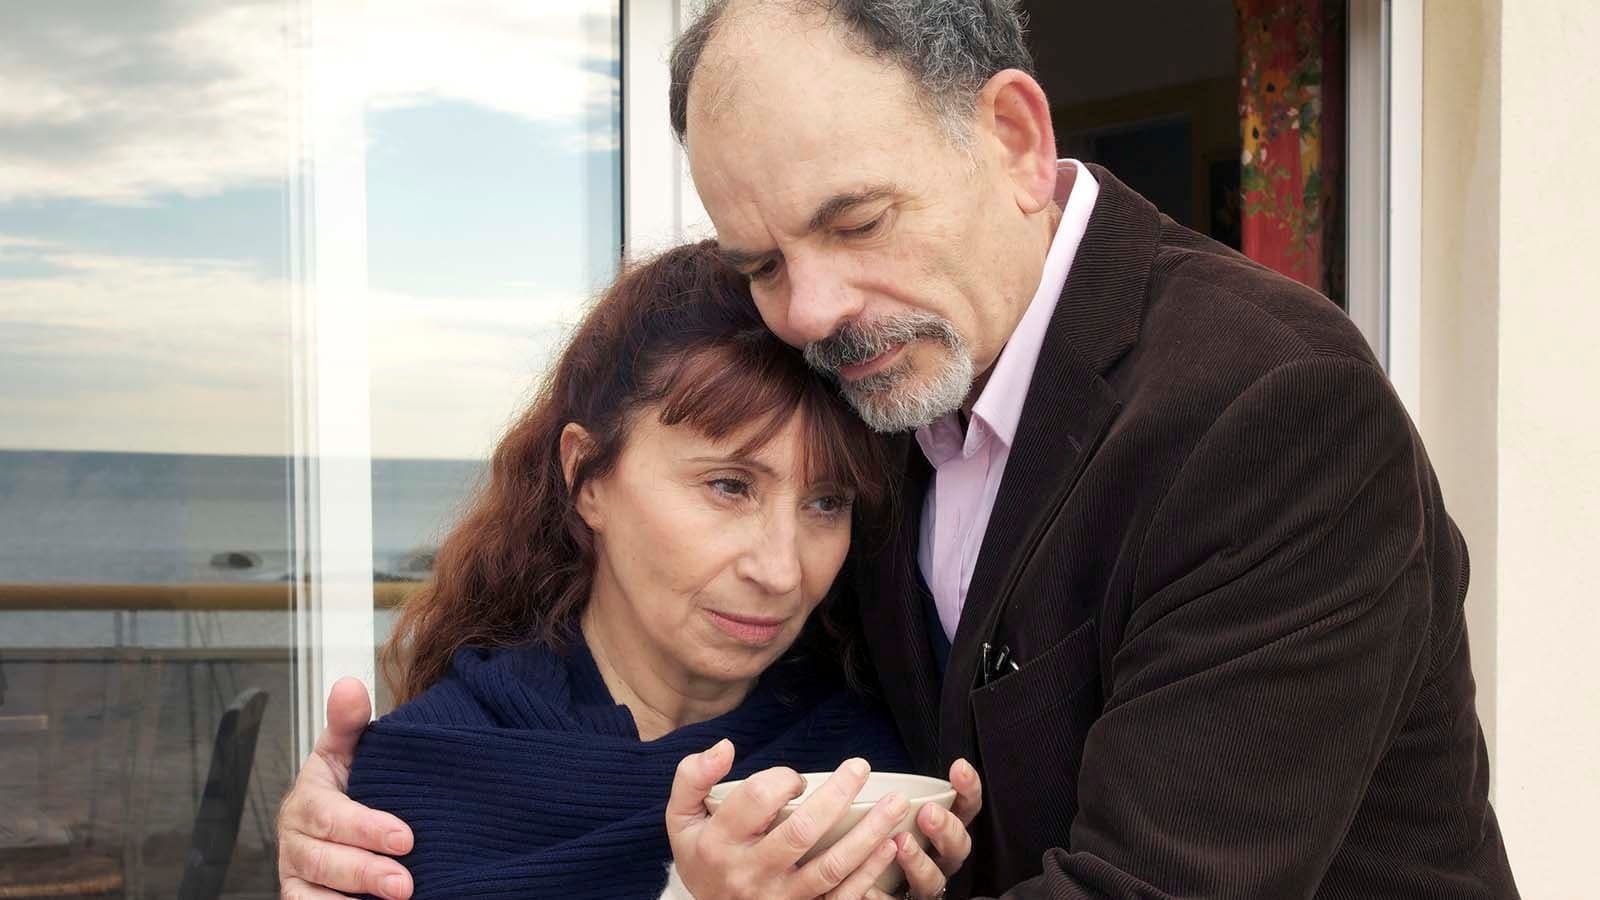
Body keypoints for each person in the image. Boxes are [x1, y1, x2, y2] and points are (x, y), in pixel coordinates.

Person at [279, 1, 1519, 898]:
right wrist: (394, 818)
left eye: (854, 220)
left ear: (1017, 140)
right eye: (762, 262)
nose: (809, 311)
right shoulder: (888, 394)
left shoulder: (1269, 404)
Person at [290, 243, 980, 900]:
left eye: (826, 503)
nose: (780, 571)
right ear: (587, 477)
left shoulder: (872, 769)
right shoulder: (422, 784)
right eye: (729, 487)